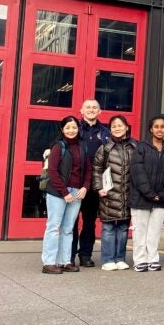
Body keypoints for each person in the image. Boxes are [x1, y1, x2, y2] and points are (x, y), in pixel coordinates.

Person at [41, 116, 90, 274]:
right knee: (54, 227)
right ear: (62, 129)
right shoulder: (58, 146)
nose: (71, 130)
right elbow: (53, 172)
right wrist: (64, 192)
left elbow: (88, 170)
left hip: (77, 192)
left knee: (68, 228)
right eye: (68, 127)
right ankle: (49, 263)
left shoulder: (83, 145)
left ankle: (65, 261)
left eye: (74, 127)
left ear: (78, 128)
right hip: (58, 192)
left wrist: (85, 187)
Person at [130, 115, 164, 272]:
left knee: (155, 232)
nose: (159, 129)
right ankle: (140, 260)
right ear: (151, 129)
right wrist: (150, 193)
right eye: (156, 126)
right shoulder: (141, 148)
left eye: (162, 127)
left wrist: (162, 194)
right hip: (141, 198)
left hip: (161, 199)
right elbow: (137, 172)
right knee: (140, 231)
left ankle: (153, 259)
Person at [92, 115, 138, 271]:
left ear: (126, 127)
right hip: (109, 194)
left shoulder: (135, 146)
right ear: (110, 129)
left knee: (124, 228)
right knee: (109, 228)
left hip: (127, 194)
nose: (117, 128)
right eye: (114, 126)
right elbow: (97, 169)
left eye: (120, 125)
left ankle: (120, 258)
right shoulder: (104, 148)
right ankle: (107, 260)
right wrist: (99, 188)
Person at [71, 99, 109, 268]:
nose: (91, 110)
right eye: (88, 107)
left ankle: (85, 254)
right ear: (81, 110)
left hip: (94, 184)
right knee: (70, 221)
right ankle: (69, 255)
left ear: (100, 111)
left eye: (95, 107)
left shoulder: (106, 133)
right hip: (74, 182)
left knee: (89, 221)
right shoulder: (74, 129)